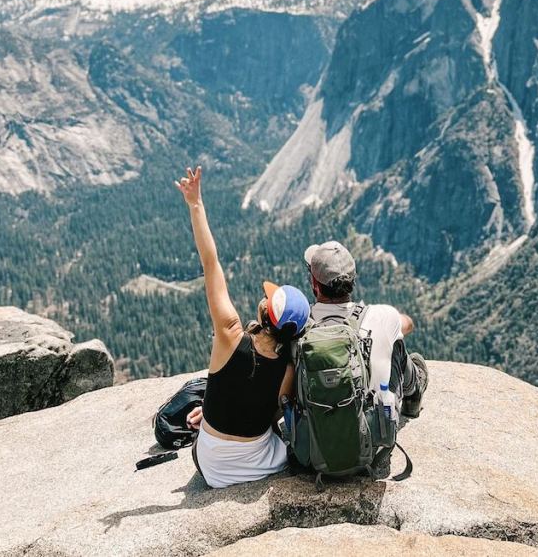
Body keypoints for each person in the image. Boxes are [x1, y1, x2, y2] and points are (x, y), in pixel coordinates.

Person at [175, 165, 310, 488]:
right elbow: (271, 412)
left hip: (211, 466)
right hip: (261, 464)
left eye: (268, 299)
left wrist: (196, 204)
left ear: (265, 312)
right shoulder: (289, 370)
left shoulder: (230, 334)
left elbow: (211, 262)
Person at [304, 240, 428, 419]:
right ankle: (413, 396)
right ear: (352, 280)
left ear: (315, 283)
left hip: (315, 436)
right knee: (396, 344)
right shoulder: (381, 316)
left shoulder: (301, 323)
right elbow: (408, 324)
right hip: (372, 439)